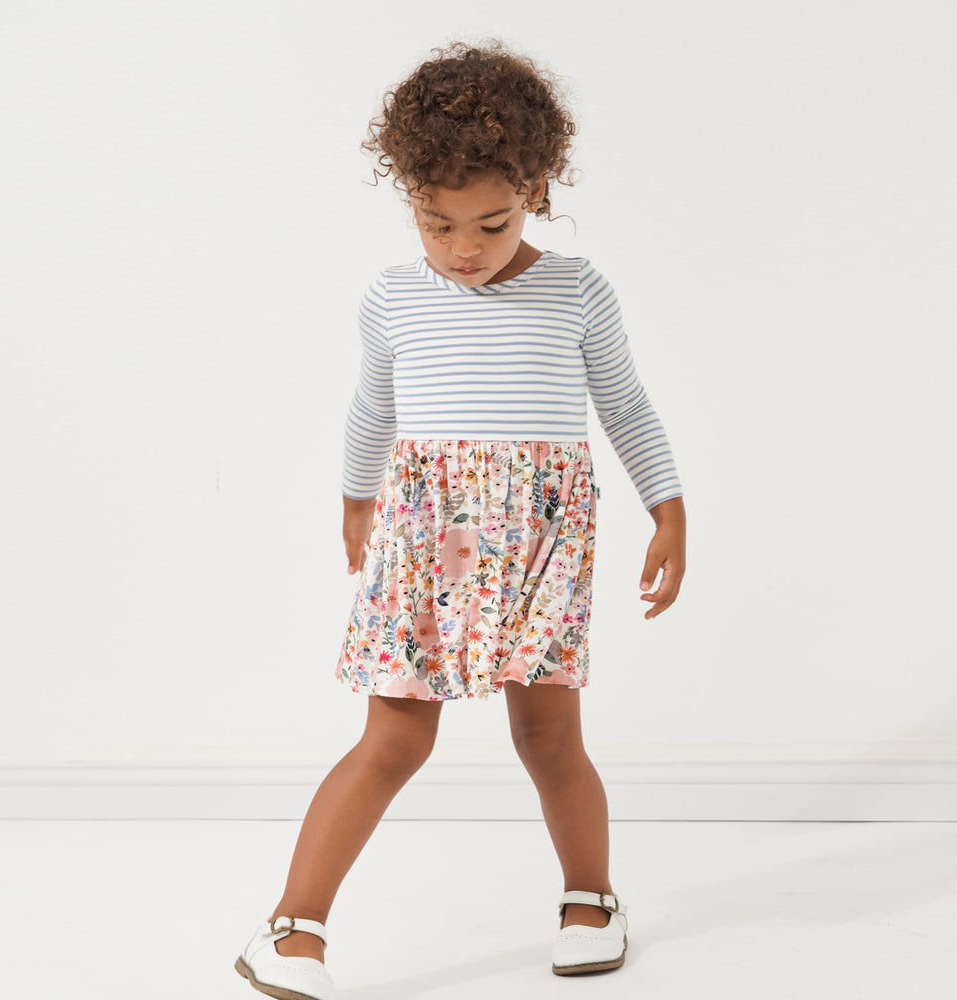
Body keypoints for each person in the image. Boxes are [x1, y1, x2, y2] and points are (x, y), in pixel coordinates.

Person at [235, 40, 687, 1000]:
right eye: (436, 225)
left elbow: (627, 407)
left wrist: (668, 506)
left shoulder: (576, 290)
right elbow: (372, 409)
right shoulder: (396, 297)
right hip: (425, 535)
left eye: (491, 222)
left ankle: (591, 901)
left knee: (549, 736)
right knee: (395, 736)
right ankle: (293, 928)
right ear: (409, 198)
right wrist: (358, 499)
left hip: (540, 544)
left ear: (536, 188)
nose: (463, 250)